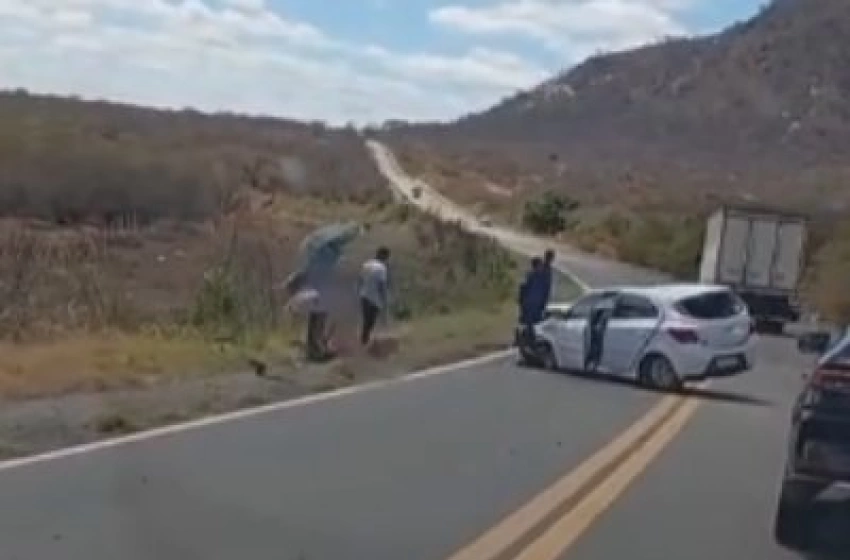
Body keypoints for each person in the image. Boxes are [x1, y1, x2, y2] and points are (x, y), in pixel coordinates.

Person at [358, 246, 390, 346]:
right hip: (374, 298)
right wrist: (385, 298)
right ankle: (365, 341)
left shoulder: (366, 264)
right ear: (383, 256)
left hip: (364, 295)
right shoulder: (381, 268)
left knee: (367, 320)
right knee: (370, 321)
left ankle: (364, 340)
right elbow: (382, 285)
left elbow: (360, 280)